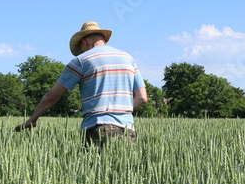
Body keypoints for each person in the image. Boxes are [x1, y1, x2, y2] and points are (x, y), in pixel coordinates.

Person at [14, 21, 148, 149]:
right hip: (127, 129)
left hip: (97, 127)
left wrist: (32, 120)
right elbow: (142, 97)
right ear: (104, 40)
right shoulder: (128, 58)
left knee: (96, 171)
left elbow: (51, 97)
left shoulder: (82, 60)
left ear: (84, 41)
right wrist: (119, 109)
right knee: (122, 171)